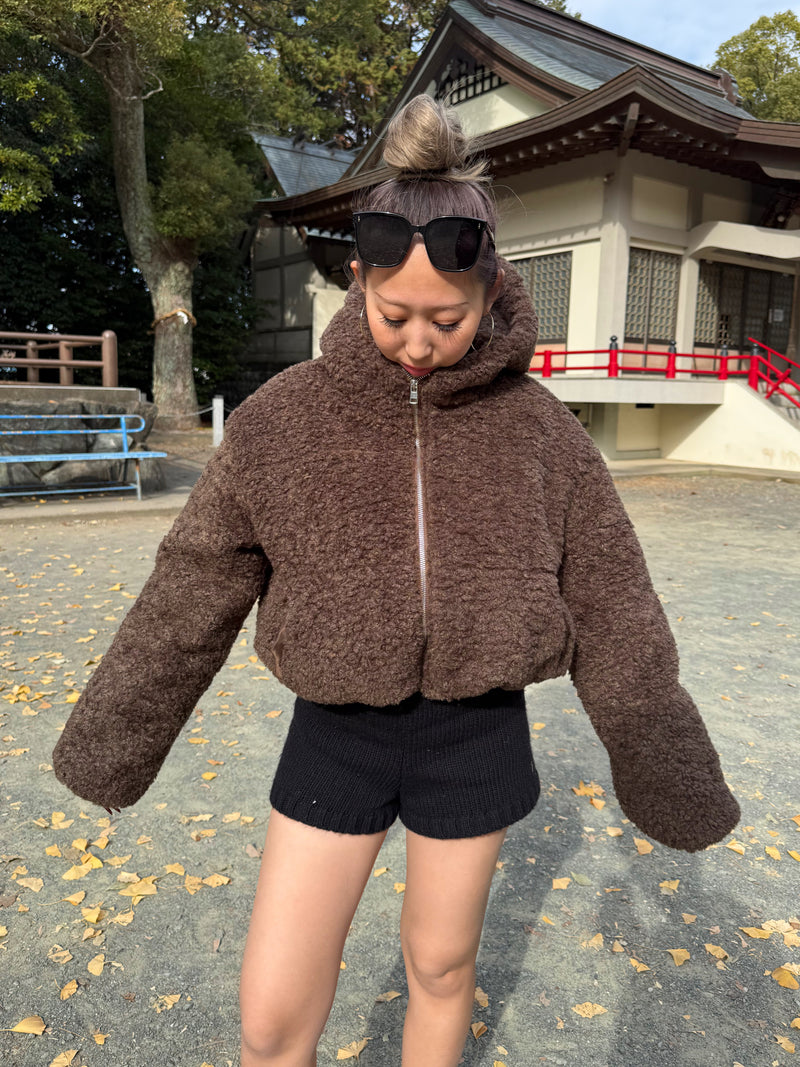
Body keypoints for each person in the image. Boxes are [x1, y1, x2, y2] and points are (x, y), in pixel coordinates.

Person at [52, 94, 741, 1067]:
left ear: (490, 290)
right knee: (269, 1019)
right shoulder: (283, 421)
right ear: (358, 281)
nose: (420, 340)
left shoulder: (541, 433)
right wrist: (112, 741)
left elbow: (615, 609)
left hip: (477, 734)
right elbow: (190, 587)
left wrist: (667, 771)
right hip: (336, 734)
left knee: (441, 965)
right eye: (395, 314)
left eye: (447, 319)